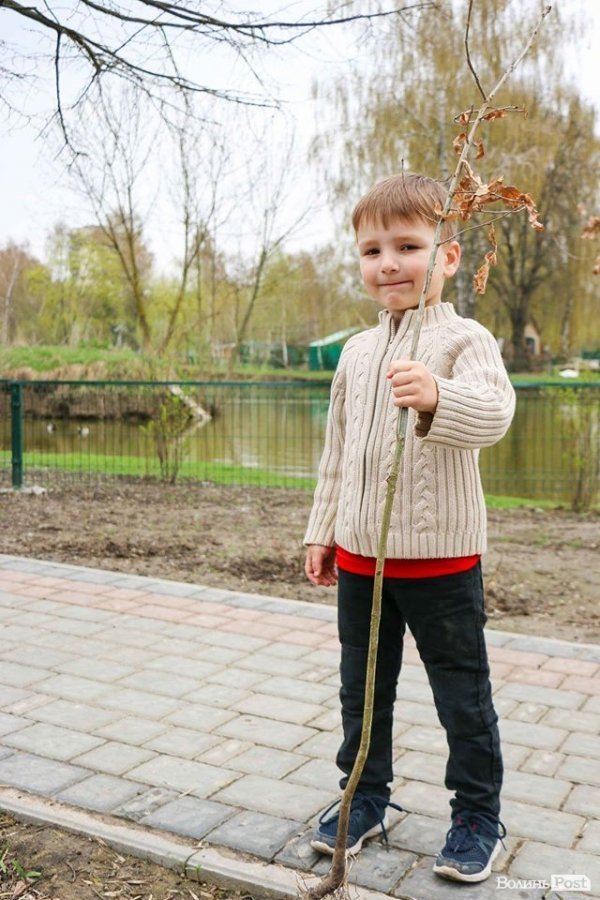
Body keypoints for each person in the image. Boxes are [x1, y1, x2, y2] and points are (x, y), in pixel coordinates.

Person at [304, 173, 515, 884]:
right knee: (362, 688)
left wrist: (437, 397)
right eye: (372, 250)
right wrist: (323, 528)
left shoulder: (464, 340)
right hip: (363, 562)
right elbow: (339, 452)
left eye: (408, 246)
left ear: (447, 256)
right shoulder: (357, 353)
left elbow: (494, 414)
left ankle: (478, 814)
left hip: (443, 564)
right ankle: (365, 795)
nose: (388, 263)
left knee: (462, 692)